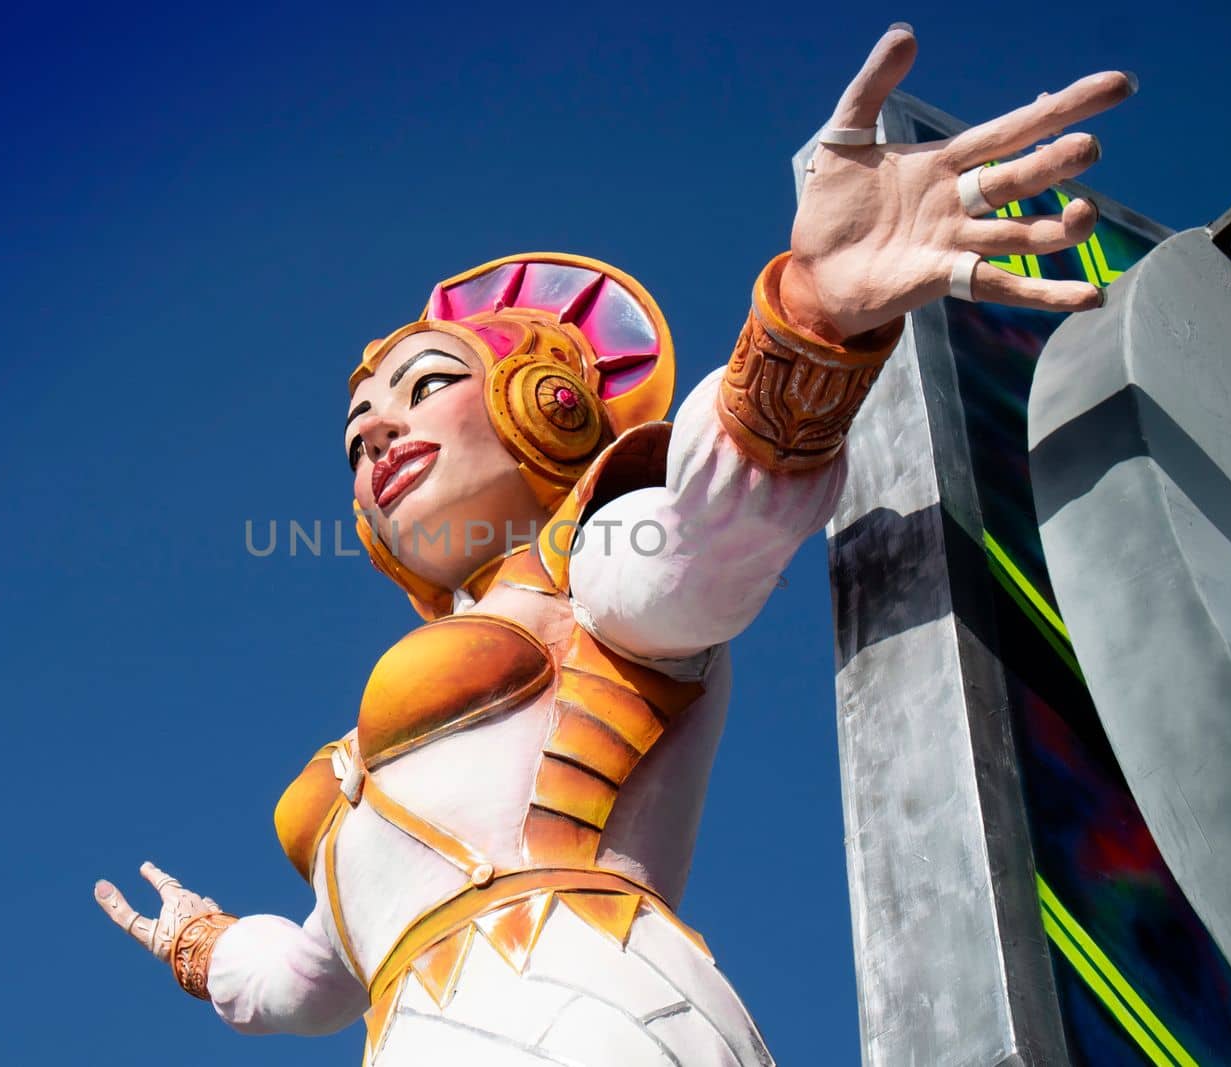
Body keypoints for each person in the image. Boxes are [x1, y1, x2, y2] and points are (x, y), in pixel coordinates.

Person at [92, 26, 1133, 1066]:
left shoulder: (588, 568)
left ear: (539, 405)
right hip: (419, 1027)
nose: (371, 432)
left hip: (594, 1004)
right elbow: (315, 975)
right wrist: (204, 944)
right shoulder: (372, 774)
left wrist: (811, 318)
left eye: (424, 387)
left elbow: (707, 533)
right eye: (356, 425)